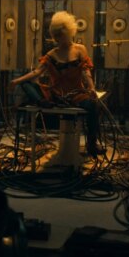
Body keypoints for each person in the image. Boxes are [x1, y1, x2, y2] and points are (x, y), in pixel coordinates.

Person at [10, 10, 104, 157]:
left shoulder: (80, 50)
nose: (59, 38)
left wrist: (92, 88)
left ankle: (92, 144)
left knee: (94, 105)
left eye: (61, 34)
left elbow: (86, 72)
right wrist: (16, 81)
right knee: (26, 84)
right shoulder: (52, 54)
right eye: (56, 35)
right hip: (55, 96)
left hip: (77, 95)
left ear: (69, 32)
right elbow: (36, 72)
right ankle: (42, 102)